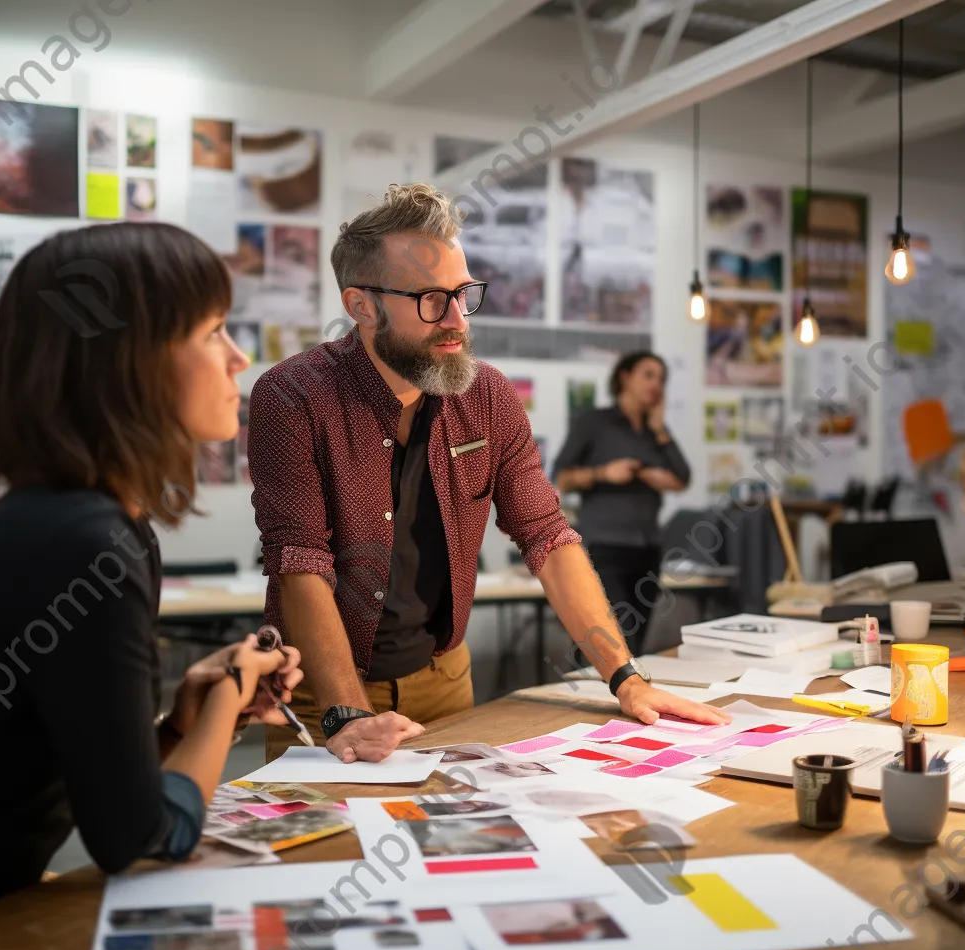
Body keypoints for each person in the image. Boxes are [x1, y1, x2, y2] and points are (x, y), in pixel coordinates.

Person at [248, 183, 729, 765]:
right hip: (322, 691)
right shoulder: (293, 397)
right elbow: (300, 562)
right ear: (362, 306)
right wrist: (347, 712)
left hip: (444, 681)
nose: (457, 320)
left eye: (462, 294)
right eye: (431, 300)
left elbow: (548, 538)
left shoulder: (488, 396)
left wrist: (625, 677)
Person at [0, 223, 304, 910]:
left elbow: (74, 776)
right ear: (130, 360)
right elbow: (141, 836)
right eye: (213, 332)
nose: (240, 357)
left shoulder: (78, 523)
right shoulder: (91, 545)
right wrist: (233, 692)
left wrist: (185, 724)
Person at [553, 352, 691, 657]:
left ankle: (628, 701)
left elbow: (683, 477)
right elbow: (561, 476)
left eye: (661, 379)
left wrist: (659, 430)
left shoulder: (655, 433)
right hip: (605, 548)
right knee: (605, 642)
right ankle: (587, 698)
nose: (656, 385)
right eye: (649, 375)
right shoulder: (595, 422)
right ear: (625, 377)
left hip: (648, 549)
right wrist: (604, 472)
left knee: (635, 645)